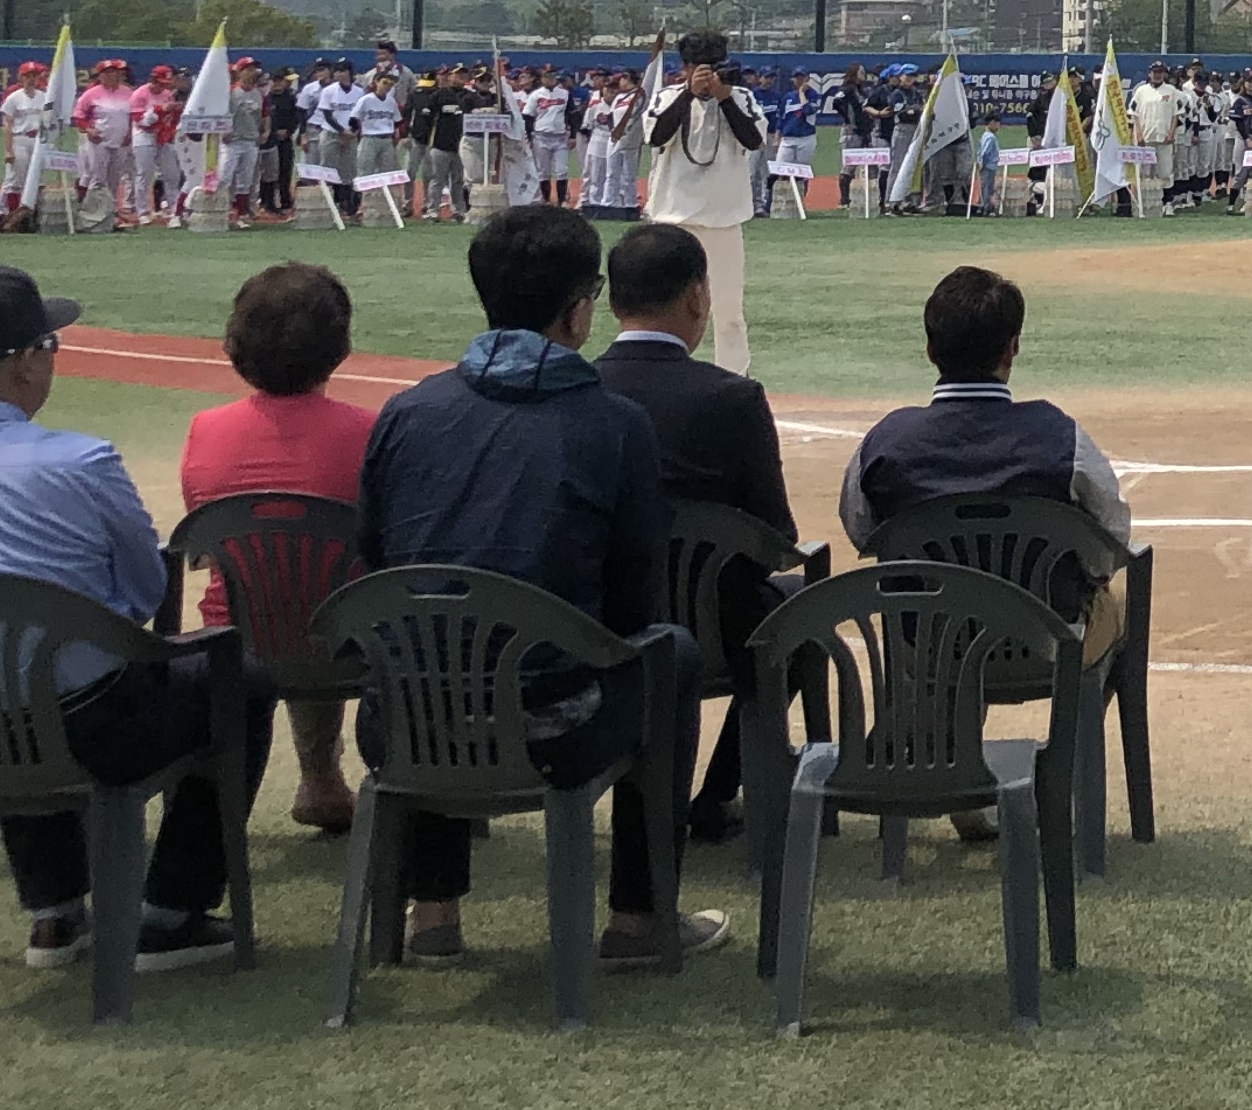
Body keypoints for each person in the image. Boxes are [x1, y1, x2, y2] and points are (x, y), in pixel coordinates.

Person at [0, 265, 273, 973]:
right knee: (232, 680)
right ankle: (171, 911)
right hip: (87, 726)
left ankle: (55, 912)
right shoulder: (79, 463)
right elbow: (142, 588)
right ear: (26, 362)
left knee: (6, 679)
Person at [356, 205, 719, 966]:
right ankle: (637, 918)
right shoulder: (612, 424)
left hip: (404, 723)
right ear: (580, 308)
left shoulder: (404, 413)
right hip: (555, 727)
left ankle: (433, 914)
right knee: (671, 653)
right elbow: (633, 605)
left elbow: (376, 566)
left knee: (434, 640)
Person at [841, 264, 1136, 835]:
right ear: (1013, 348)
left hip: (927, 643)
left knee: (942, 617)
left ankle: (958, 774)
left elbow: (862, 532)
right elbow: (1110, 541)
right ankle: (1055, 777)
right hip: (1043, 641)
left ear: (930, 349)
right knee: (1115, 618)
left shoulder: (884, 442)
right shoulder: (1059, 433)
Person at [598, 220, 796, 840]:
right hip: (719, 627)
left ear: (611, 301)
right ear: (697, 297)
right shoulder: (732, 398)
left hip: (600, 624)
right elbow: (774, 536)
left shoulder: (578, 393)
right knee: (798, 619)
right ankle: (716, 793)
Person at [175, 260, 376, 833]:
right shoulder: (372, 429)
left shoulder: (205, 431)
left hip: (236, 636)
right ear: (339, 347)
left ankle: (317, 779)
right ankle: (322, 778)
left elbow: (211, 546)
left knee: (282, 589)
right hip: (352, 636)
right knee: (329, 590)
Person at [639, 28, 768, 377]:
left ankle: (734, 377)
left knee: (728, 312)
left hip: (724, 219)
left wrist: (724, 98)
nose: (708, 74)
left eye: (715, 66)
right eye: (700, 67)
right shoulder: (666, 97)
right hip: (673, 217)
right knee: (663, 306)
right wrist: (687, 94)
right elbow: (656, 136)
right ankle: (662, 375)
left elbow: (754, 140)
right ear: (685, 67)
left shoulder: (740, 97)